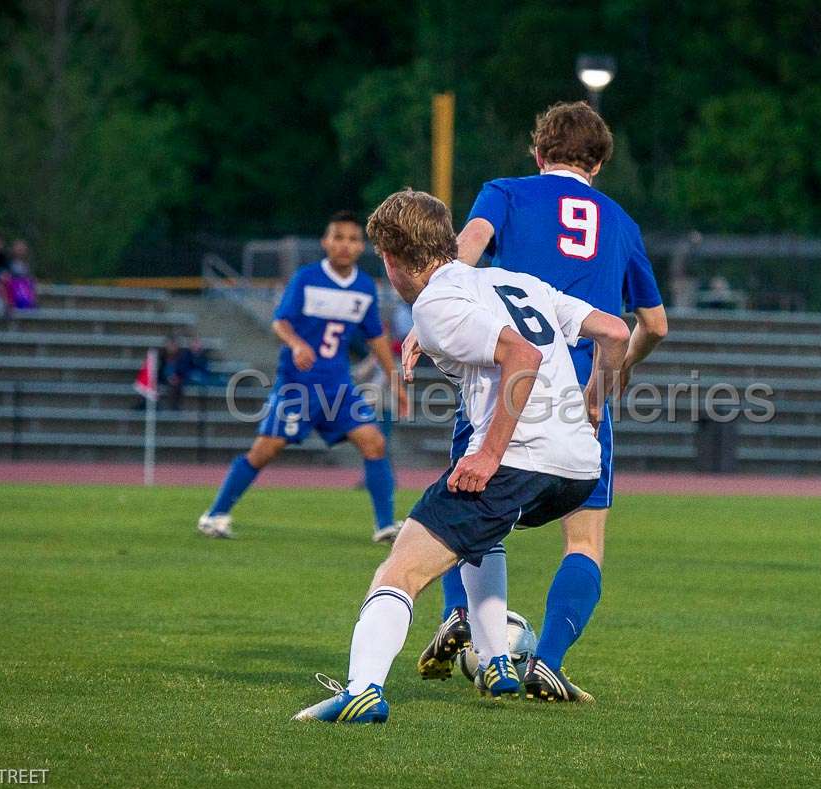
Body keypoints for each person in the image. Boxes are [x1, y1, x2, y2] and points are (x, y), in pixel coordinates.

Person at [292, 189, 630, 723]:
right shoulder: (513, 281)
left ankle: (362, 691)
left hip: (521, 460)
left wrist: (490, 454)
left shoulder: (433, 305)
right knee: (477, 531)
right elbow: (616, 330)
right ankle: (497, 661)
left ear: (392, 259)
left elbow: (521, 354)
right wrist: (594, 401)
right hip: (579, 470)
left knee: (399, 572)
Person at [404, 101, 667, 701]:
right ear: (598, 163)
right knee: (585, 543)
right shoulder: (622, 223)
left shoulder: (506, 191)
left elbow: (468, 244)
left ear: (538, 152)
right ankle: (546, 659)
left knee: (469, 514)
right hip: (579, 400)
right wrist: (610, 382)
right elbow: (653, 323)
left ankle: (462, 618)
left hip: (504, 388)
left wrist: (434, 311)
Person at [197, 211, 406, 543]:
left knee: (374, 442)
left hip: (338, 389)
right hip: (298, 387)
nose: (345, 245)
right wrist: (296, 345)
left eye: (352, 239)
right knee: (265, 451)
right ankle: (215, 514)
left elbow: (375, 337)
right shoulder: (306, 278)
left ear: (361, 246)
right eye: (338, 237)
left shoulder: (365, 287)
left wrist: (396, 379)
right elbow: (280, 322)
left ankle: (385, 526)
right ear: (326, 242)